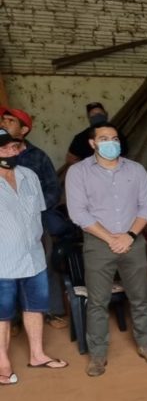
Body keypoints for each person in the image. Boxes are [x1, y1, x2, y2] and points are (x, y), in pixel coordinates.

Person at [66, 122, 147, 376]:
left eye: (115, 138)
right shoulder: (78, 172)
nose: (111, 143)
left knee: (140, 298)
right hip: (98, 243)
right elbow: (78, 213)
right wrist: (110, 238)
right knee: (98, 302)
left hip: (133, 241)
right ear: (93, 143)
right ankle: (98, 356)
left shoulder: (136, 169)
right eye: (104, 138)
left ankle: (146, 344)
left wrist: (129, 236)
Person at [0, 128, 67, 384]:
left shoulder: (29, 175)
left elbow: (39, 210)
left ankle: (37, 355)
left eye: (13, 147)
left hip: (33, 256)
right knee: (2, 314)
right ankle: (3, 364)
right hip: (3, 261)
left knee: (35, 307)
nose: (10, 151)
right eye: (4, 148)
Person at [1, 106, 67, 328]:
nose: (4, 123)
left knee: (43, 263)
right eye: (3, 120)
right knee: (7, 272)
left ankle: (52, 311)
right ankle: (14, 320)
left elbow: (53, 189)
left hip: (36, 220)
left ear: (24, 130)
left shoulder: (37, 157)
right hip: (6, 227)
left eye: (10, 121)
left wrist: (33, 209)